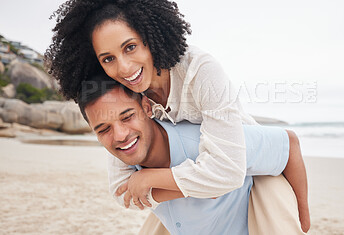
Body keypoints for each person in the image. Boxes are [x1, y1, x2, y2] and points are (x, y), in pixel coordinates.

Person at [45, 0, 310, 233]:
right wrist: (188, 188)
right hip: (194, 184)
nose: (124, 68)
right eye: (108, 59)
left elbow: (229, 170)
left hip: (247, 161)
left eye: (130, 47)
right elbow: (122, 187)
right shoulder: (126, 97)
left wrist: (150, 179)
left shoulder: (199, 71)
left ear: (149, 36)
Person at [78, 74, 301, 234]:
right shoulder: (128, 172)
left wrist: (304, 220)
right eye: (104, 129)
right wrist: (190, 186)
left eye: (127, 117)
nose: (119, 135)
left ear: (147, 108)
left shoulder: (210, 141)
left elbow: (287, 143)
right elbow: (123, 196)